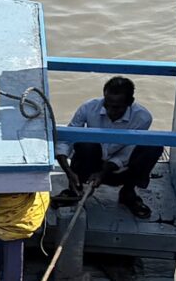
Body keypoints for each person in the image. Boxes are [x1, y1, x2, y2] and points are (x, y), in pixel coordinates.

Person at [60, 76, 164, 219]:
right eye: (106, 104)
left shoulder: (142, 117)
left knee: (153, 147)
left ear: (130, 102)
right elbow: (67, 138)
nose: (109, 110)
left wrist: (103, 172)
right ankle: (74, 188)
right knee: (85, 143)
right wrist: (67, 170)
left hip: (118, 168)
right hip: (89, 162)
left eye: (116, 107)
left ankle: (128, 193)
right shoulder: (88, 107)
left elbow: (127, 153)